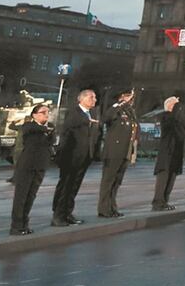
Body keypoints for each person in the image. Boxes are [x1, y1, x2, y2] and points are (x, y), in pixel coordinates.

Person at [52, 89, 99, 227]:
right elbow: (69, 127)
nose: (94, 100)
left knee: (74, 187)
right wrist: (87, 121)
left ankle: (67, 213)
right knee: (65, 186)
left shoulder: (90, 114)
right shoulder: (74, 113)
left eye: (95, 97)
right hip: (70, 157)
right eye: (91, 97)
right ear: (82, 99)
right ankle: (58, 215)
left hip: (84, 157)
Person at [10, 104, 54, 234]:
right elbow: (30, 129)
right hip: (27, 165)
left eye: (47, 112)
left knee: (31, 195)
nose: (46, 115)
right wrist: (45, 129)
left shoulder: (49, 127)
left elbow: (50, 141)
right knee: (21, 196)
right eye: (42, 112)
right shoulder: (29, 126)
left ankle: (24, 223)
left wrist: (48, 130)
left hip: (40, 165)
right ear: (34, 115)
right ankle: (16, 226)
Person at [98, 88, 139, 218]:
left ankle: (112, 207)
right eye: (128, 97)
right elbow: (106, 117)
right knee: (108, 181)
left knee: (116, 182)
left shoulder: (130, 112)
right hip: (113, 152)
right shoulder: (115, 110)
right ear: (121, 97)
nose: (130, 100)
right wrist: (119, 104)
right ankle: (104, 209)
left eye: (131, 98)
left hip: (125, 151)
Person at [152, 96, 185, 211]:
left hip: (175, 153)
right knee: (163, 178)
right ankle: (158, 201)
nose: (179, 108)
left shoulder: (178, 119)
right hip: (166, 153)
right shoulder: (165, 116)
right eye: (176, 105)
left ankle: (165, 200)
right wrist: (174, 110)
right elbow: (170, 124)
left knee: (171, 178)